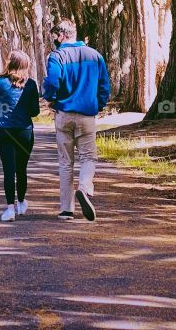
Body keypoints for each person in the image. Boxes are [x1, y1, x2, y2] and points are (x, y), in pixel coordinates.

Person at [41, 18, 110, 222]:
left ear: (62, 35)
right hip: (87, 115)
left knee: (65, 162)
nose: (55, 41)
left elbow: (52, 81)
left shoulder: (57, 56)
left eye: (55, 37)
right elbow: (104, 86)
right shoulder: (95, 55)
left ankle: (66, 210)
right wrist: (98, 105)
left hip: (63, 114)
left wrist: (51, 99)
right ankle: (85, 188)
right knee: (88, 157)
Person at [0, 49, 40, 222]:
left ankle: (10, 209)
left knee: (8, 170)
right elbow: (35, 112)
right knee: (21, 169)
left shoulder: (0, 82)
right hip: (25, 131)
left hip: (5, 131)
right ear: (26, 65)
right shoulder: (31, 84)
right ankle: (22, 203)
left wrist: (1, 103)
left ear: (9, 63)